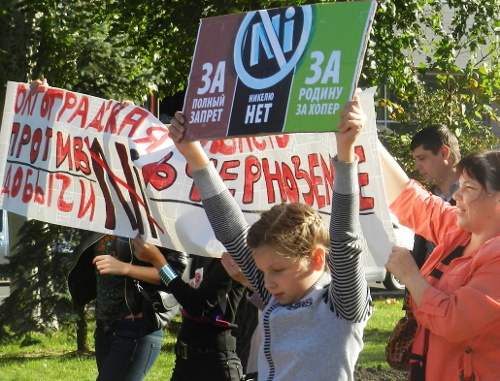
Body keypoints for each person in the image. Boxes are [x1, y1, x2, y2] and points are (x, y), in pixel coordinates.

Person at [135, 94, 372, 381]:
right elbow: (231, 232)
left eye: (278, 270)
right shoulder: (276, 294)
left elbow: (345, 239)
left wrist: (345, 152)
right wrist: (193, 155)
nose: (267, 282)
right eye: (262, 271)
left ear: (317, 259)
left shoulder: (342, 306)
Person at [380, 142, 500, 381]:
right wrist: (364, 137)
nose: (456, 195)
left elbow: (454, 321)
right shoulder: (459, 231)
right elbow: (409, 199)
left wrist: (411, 277)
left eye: (469, 187)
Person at [67, 233, 188, 381]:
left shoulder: (155, 220)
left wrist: (126, 268)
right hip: (105, 327)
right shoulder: (101, 219)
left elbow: (176, 277)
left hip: (136, 327)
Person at [132, 238, 247, 381]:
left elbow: (197, 306)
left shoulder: (229, 256)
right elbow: (183, 292)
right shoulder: (197, 249)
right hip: (185, 359)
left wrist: (159, 262)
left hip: (215, 363)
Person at [409, 125, 461, 268]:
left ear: (444, 153)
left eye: (422, 158)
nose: (416, 166)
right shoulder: (427, 199)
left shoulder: (478, 198)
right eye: (415, 159)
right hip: (425, 286)